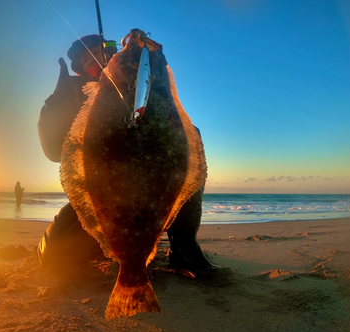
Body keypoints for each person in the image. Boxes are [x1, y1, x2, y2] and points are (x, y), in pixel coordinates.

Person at [36, 35, 231, 281]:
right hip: (107, 200)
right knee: (52, 258)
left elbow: (180, 139)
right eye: (87, 61)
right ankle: (116, 250)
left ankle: (183, 246)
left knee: (189, 147)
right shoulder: (74, 99)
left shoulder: (145, 87)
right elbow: (54, 152)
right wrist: (55, 102)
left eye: (101, 52)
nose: (95, 61)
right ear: (82, 71)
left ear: (114, 54)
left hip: (152, 189)